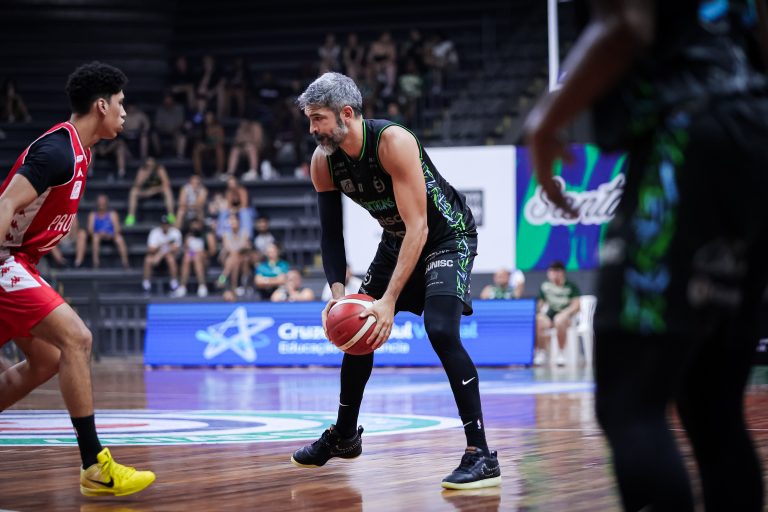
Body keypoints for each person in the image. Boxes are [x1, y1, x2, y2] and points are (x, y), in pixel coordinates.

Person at [523, 1, 768, 510]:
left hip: (688, 131)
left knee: (629, 399)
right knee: (713, 405)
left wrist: (546, 120)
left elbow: (626, 23)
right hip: (754, 132)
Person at [290, 72, 500, 489]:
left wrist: (388, 300)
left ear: (345, 114)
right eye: (309, 119)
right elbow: (331, 235)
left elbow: (419, 227)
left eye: (318, 119)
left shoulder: (393, 142)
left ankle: (480, 454)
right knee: (357, 326)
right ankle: (344, 436)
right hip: (396, 240)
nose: (312, 129)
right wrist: (338, 295)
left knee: (440, 330)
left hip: (445, 237)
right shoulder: (323, 161)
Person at [0, 61, 154, 496]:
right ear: (101, 105)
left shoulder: (81, 151)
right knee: (77, 338)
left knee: (48, 359)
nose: (125, 112)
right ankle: (95, 466)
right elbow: (6, 203)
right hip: (4, 260)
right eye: (120, 103)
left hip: (22, 262)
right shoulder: (58, 150)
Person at [533, 261, 580, 366]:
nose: (553, 274)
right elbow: (540, 304)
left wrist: (565, 313)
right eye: (551, 272)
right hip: (550, 315)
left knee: (559, 320)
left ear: (561, 272)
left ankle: (561, 353)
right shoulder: (545, 286)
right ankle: (542, 352)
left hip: (566, 316)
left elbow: (576, 305)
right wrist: (537, 312)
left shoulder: (571, 286)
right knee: (538, 320)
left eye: (555, 271)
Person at [75, 194, 129, 268]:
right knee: (95, 238)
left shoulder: (112, 214)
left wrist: (110, 234)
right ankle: (96, 263)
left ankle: (125, 263)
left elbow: (117, 229)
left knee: (120, 239)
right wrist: (99, 234)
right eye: (100, 202)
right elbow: (90, 230)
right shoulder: (92, 215)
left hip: (111, 235)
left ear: (106, 203)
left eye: (103, 202)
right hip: (97, 235)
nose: (101, 204)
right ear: (97, 203)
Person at [171, 217, 217, 298]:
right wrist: (188, 248)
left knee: (197, 257)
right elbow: (185, 249)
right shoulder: (188, 236)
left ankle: (202, 286)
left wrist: (203, 253)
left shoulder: (207, 234)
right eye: (193, 224)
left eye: (197, 224)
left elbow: (213, 251)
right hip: (191, 258)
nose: (195, 226)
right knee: (187, 257)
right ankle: (182, 287)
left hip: (205, 259)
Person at [125, 157, 175, 227]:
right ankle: (131, 216)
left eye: (152, 164)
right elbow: (136, 185)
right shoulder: (142, 170)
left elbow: (167, 183)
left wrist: (154, 190)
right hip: (146, 192)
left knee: (167, 190)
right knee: (133, 192)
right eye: (148, 164)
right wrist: (144, 177)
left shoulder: (159, 169)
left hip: (158, 191)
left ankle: (171, 215)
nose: (150, 166)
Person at [142, 214, 182, 294]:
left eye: (166, 224)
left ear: (169, 224)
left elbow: (176, 248)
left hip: (170, 256)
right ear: (160, 225)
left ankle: (174, 283)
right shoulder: (154, 232)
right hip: (156, 256)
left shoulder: (175, 232)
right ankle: (146, 284)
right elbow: (150, 249)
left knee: (170, 258)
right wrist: (163, 247)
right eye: (163, 224)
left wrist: (161, 253)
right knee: (148, 260)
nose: (165, 226)